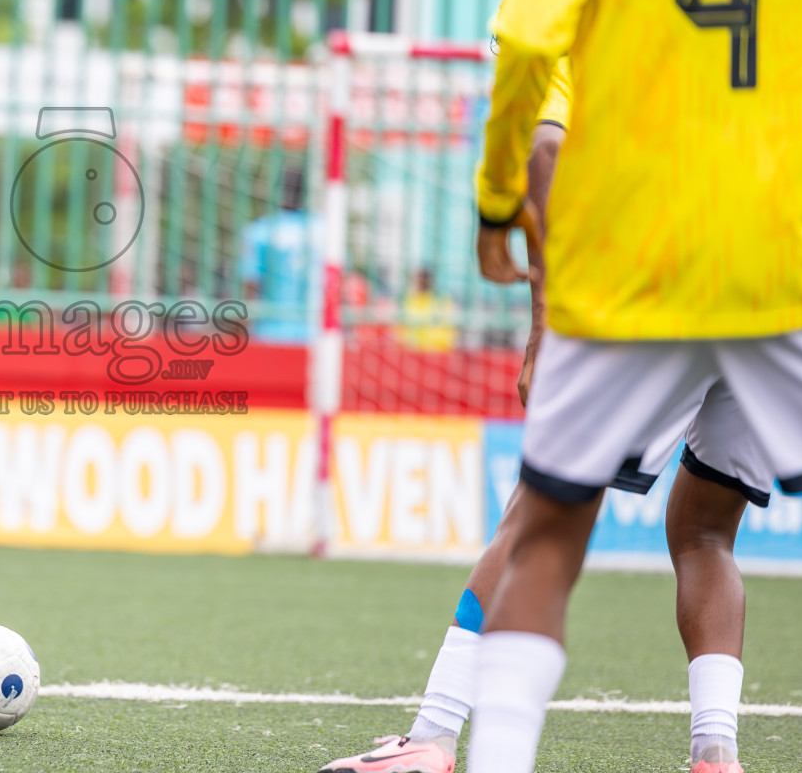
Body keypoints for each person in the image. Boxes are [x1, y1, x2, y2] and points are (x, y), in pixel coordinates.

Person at [470, 0, 802, 771]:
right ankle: (714, 749)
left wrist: (497, 197)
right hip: (787, 263)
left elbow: (525, 37)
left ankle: (486, 753)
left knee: (548, 529)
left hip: (628, 267)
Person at [321, 62, 777, 773]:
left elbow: (545, 149)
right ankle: (716, 753)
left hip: (664, 284)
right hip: (777, 291)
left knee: (537, 516)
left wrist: (543, 325)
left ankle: (434, 736)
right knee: (706, 532)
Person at [240, 164, 318, 343]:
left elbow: (251, 286)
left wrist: (245, 330)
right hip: (317, 333)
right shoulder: (325, 231)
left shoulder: (260, 231)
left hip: (270, 332)